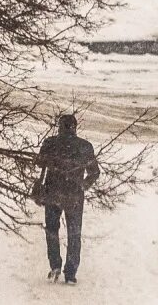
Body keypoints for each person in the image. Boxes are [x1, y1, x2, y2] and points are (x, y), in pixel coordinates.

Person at [35, 113, 99, 285]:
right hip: (74, 196)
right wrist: (83, 185)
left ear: (59, 126)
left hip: (52, 193)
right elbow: (95, 172)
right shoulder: (85, 146)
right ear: (75, 127)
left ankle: (55, 265)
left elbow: (39, 163)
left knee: (52, 229)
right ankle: (70, 273)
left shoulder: (50, 143)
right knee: (74, 233)